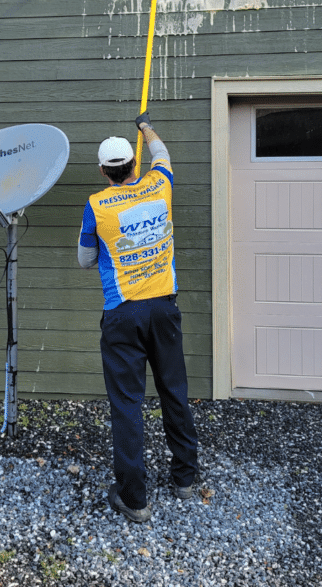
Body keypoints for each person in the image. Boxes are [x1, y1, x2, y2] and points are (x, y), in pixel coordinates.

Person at [77, 112, 199, 523]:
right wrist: (145, 127)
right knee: (173, 390)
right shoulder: (159, 185)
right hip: (165, 308)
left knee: (127, 405)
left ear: (102, 171)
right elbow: (162, 154)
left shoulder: (96, 205)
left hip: (123, 315)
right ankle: (185, 479)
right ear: (135, 164)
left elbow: (85, 259)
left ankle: (135, 499)